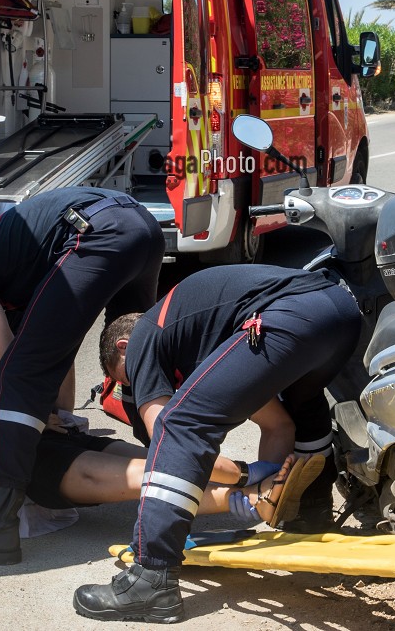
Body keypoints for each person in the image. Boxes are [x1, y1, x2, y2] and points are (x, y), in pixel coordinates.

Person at [73, 264, 363, 623]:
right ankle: (311, 513)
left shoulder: (146, 334)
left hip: (290, 313)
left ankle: (152, 577)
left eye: (128, 379)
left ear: (124, 349)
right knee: (303, 404)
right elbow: (279, 425)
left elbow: (167, 430)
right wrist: (261, 491)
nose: (141, 386)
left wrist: (243, 479)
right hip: (339, 312)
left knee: (178, 423)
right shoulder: (203, 334)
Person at [0, 187, 163, 566]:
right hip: (142, 228)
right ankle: (174, 472)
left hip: (96, 229)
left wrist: (0, 427)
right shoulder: (14, 276)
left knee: (19, 374)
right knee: (134, 359)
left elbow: (7, 365)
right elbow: (57, 348)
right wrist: (55, 414)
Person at [0, 382, 309, 529]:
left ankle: (255, 477)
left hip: (50, 437)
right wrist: (15, 420)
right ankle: (250, 500)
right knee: (145, 478)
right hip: (30, 460)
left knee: (157, 462)